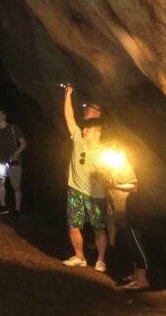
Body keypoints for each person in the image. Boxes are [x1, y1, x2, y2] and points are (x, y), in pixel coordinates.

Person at [62, 85, 108, 272]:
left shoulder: (104, 152)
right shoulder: (78, 140)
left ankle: (101, 260)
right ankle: (79, 256)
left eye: (87, 130)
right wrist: (68, 96)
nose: (83, 132)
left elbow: (111, 174)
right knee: (73, 225)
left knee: (98, 228)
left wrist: (104, 176)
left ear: (96, 132)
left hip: (95, 194)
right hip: (75, 189)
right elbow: (69, 118)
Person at [98, 142, 150, 290]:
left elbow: (134, 186)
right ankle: (136, 275)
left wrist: (114, 186)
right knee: (129, 244)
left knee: (136, 245)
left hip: (131, 211)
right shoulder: (112, 168)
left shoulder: (124, 165)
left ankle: (143, 280)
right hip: (120, 212)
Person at [0, 109, 27, 215]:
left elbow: (23, 144)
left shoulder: (13, 128)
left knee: (16, 186)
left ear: (4, 116)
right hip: (0, 161)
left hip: (13, 162)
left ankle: (17, 209)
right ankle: (3, 206)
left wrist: (15, 154)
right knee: (0, 182)